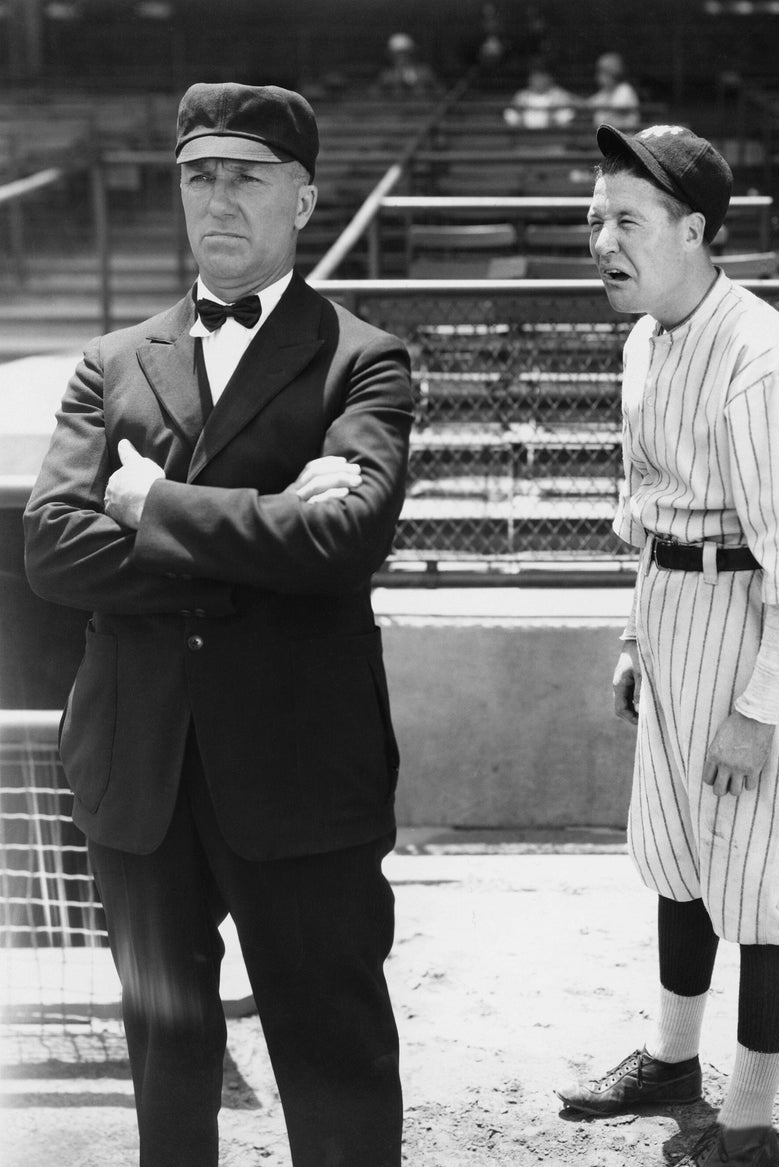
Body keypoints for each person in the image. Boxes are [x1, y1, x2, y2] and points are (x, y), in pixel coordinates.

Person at [24, 82, 413, 1167]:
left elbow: (347, 541)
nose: (219, 198)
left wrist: (151, 508)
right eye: (200, 174)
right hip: (139, 771)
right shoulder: (113, 362)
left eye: (246, 174)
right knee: (167, 1067)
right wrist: (264, 538)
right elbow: (52, 549)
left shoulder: (361, 357)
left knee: (334, 1060)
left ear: (304, 198)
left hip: (299, 767)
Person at [555, 124, 779, 1167]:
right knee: (677, 862)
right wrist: (638, 638)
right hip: (675, 608)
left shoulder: (770, 365)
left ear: (694, 231)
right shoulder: (646, 337)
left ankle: (753, 1126)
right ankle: (676, 1065)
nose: (602, 241)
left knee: (760, 890)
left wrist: (757, 708)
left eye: (626, 221)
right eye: (596, 220)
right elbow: (647, 512)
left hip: (752, 625)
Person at [503, 60, 577, 129]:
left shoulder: (559, 95)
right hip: (525, 137)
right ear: (530, 79)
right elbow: (511, 115)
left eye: (542, 76)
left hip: (552, 138)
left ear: (549, 78)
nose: (538, 80)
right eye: (535, 76)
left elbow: (567, 116)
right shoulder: (522, 95)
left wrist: (553, 123)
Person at [373, 32, 441, 98]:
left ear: (412, 53)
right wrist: (388, 86)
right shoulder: (386, 74)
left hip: (423, 107)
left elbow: (441, 92)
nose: (402, 57)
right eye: (397, 54)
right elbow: (373, 95)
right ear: (391, 56)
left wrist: (424, 85)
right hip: (395, 108)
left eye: (405, 53)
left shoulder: (424, 71)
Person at [585, 51, 640, 130]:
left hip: (623, 139)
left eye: (603, 72)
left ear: (613, 74)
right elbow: (586, 105)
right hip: (606, 139)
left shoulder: (624, 89)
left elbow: (617, 110)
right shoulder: (604, 92)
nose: (598, 76)